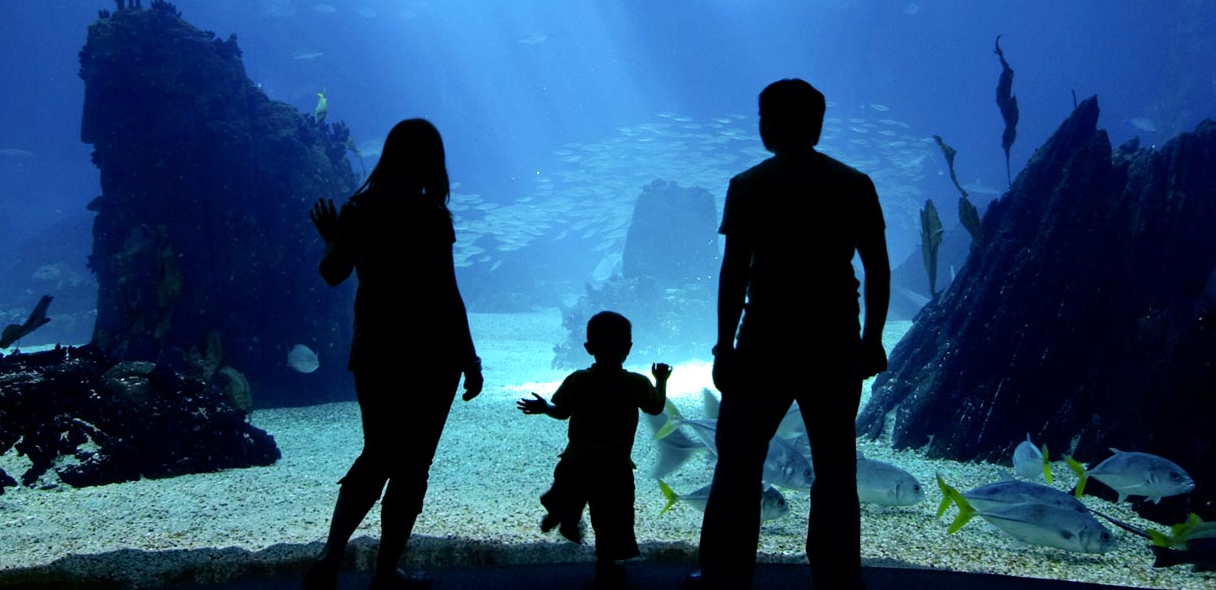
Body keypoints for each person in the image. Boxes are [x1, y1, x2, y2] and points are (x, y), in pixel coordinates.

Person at [688, 79, 892, 590]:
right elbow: (878, 269)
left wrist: (723, 345)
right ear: (818, 125)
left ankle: (724, 573)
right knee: (835, 462)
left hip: (765, 340)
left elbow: (734, 272)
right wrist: (872, 338)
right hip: (834, 338)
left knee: (738, 461)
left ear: (769, 124)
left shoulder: (750, 184)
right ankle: (837, 573)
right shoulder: (854, 184)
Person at [303, 118, 485, 590]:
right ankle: (385, 572)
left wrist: (331, 237)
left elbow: (333, 274)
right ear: (432, 162)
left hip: (379, 351)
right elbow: (448, 292)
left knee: (377, 455)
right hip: (433, 354)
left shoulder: (361, 209)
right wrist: (469, 357)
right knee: (412, 465)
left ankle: (329, 559)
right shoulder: (432, 216)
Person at [518, 311, 672, 586]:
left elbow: (562, 412)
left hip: (576, 461)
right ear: (628, 349)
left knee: (569, 493)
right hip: (614, 467)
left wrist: (543, 408)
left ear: (589, 348)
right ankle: (605, 563)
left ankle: (562, 513)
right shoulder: (636, 383)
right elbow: (656, 406)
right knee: (611, 520)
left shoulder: (579, 379)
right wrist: (661, 379)